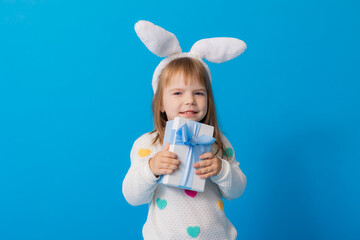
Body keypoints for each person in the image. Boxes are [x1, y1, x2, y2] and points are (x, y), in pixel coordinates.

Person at [123, 20, 247, 239]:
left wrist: (221, 169)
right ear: (160, 103)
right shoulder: (147, 144)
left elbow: (236, 191)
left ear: (208, 99)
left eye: (198, 93)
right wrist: (151, 168)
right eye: (178, 93)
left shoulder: (219, 144)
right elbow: (132, 196)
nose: (190, 100)